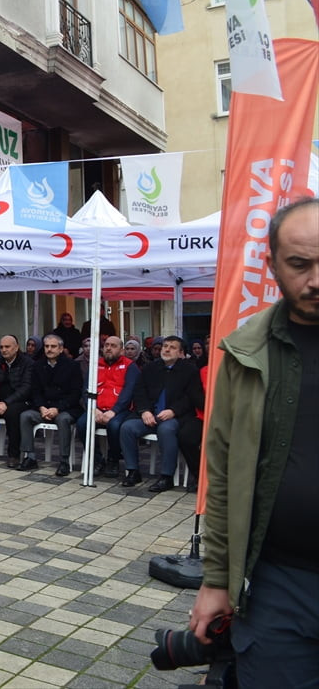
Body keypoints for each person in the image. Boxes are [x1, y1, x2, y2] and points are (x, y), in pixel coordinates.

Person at [189, 198, 318, 686]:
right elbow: (222, 477)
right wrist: (216, 580)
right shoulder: (246, 354)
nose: (316, 280)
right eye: (300, 264)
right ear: (272, 265)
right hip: (278, 586)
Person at [119, 335, 203, 491]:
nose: (167, 349)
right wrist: (144, 411)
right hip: (150, 415)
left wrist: (173, 411)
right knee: (127, 427)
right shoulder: (151, 367)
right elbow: (140, 391)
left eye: (172, 347)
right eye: (165, 346)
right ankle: (132, 471)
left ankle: (166, 476)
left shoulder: (189, 370)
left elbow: (191, 397)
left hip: (175, 416)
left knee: (166, 430)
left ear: (180, 352)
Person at [17, 333, 83, 476]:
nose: (49, 349)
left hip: (66, 408)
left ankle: (64, 461)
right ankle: (30, 457)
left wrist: (57, 408)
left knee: (63, 419)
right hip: (44, 407)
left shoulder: (72, 366)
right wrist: (41, 407)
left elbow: (75, 393)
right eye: (47, 346)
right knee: (25, 416)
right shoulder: (38, 365)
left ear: (61, 349)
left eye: (53, 346)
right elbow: (35, 391)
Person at [75, 335, 139, 479]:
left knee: (115, 426)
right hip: (96, 408)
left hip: (120, 410)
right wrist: (94, 409)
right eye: (106, 345)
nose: (109, 348)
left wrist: (113, 411)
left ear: (121, 350)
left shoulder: (130, 366)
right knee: (82, 424)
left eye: (113, 346)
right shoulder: (95, 365)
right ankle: (98, 459)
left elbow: (129, 392)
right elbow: (86, 390)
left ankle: (113, 459)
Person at [0, 334, 34, 468]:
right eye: (1, 347)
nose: (4, 350)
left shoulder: (27, 363)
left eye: (7, 347)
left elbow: (26, 388)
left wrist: (6, 403)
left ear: (16, 347)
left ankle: (13, 455)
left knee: (12, 414)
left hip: (20, 402)